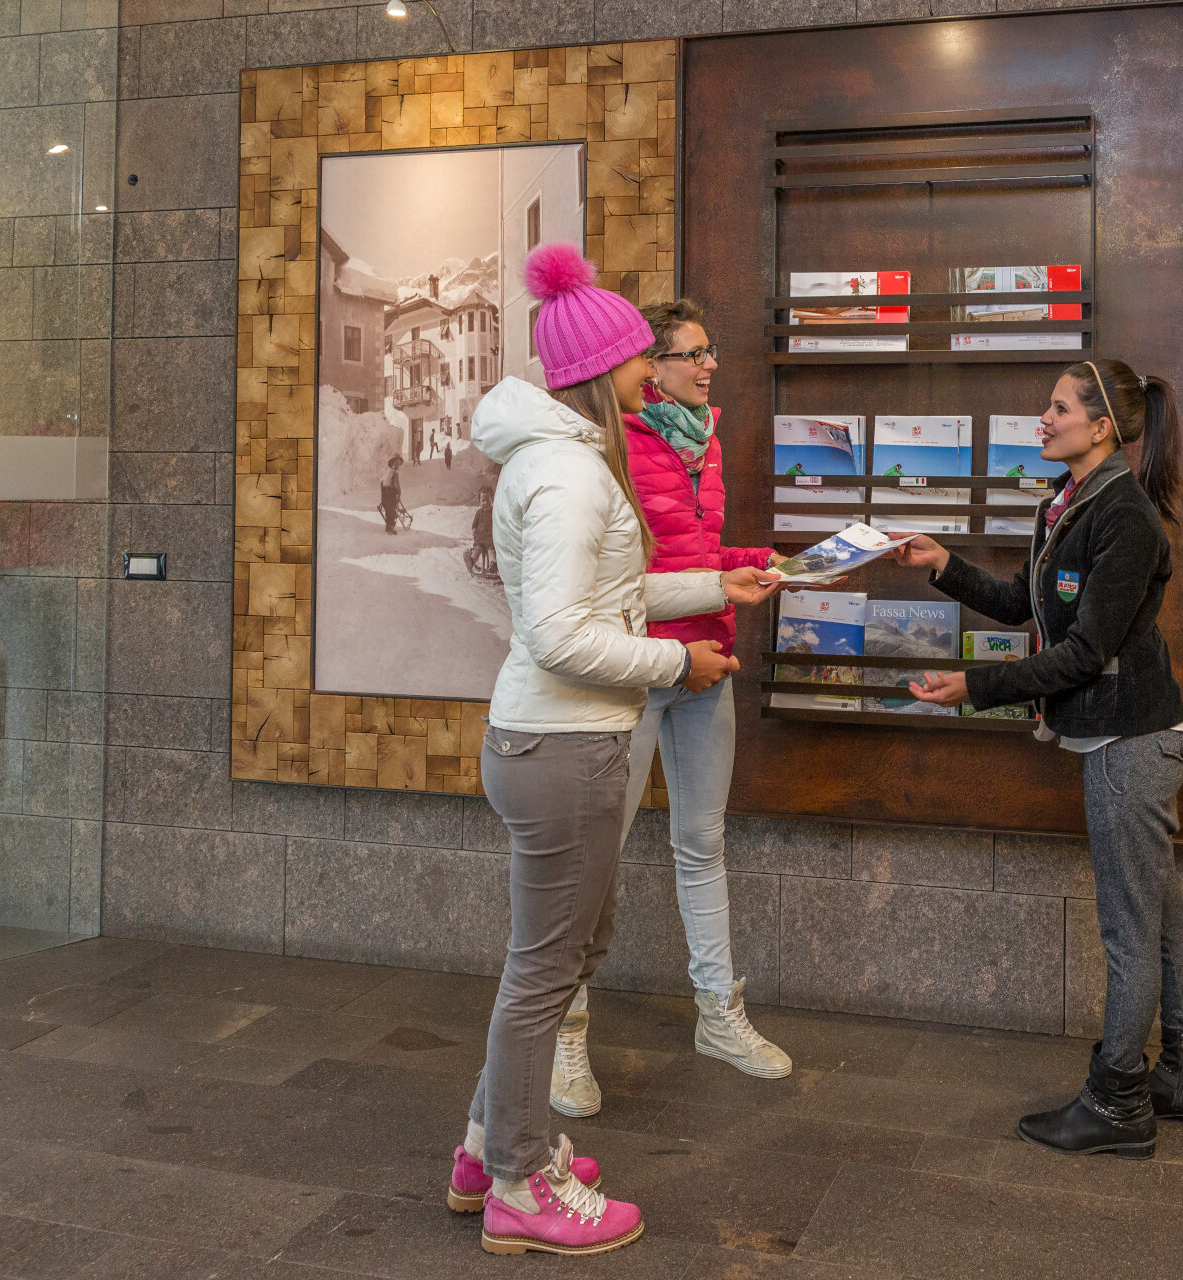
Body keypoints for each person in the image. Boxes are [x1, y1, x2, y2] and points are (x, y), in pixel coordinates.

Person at [444, 241, 781, 1258]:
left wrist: (716, 589)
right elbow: (559, 635)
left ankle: (485, 1145)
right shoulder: (571, 475)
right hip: (562, 742)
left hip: (563, 739)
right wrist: (679, 668)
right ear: (602, 370)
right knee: (545, 969)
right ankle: (516, 1180)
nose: (654, 374)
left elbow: (610, 600)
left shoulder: (571, 461)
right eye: (641, 358)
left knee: (557, 958)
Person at [894, 358, 1183, 1159]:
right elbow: (1026, 605)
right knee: (1160, 912)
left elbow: (1080, 655)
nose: (1040, 420)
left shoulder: (1127, 518)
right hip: (1121, 741)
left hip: (1131, 745)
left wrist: (974, 687)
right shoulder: (1069, 503)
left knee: (1129, 927)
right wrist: (941, 563)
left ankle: (1118, 1100)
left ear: (1101, 425)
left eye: (1056, 408)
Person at [548, 300, 792, 1120]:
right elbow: (612, 579)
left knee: (703, 843)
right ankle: (565, 1029)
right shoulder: (616, 443)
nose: (709, 365)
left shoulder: (705, 441)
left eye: (710, 349)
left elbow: (698, 556)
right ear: (648, 365)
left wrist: (761, 563)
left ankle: (719, 1015)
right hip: (636, 671)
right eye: (693, 353)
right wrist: (672, 652)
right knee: (597, 857)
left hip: (708, 663)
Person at [378, 455, 403, 534]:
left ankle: (388, 527)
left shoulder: (387, 472)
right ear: (391, 463)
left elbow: (381, 483)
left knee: (389, 511)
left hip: (385, 493)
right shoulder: (394, 473)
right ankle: (390, 528)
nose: (396, 466)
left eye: (398, 464)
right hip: (390, 494)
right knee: (391, 511)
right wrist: (398, 494)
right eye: (395, 464)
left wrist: (383, 496)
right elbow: (397, 486)